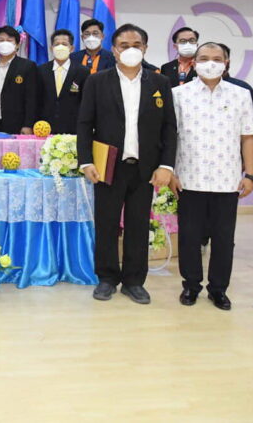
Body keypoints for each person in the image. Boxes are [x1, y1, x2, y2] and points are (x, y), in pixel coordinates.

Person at [77, 23, 177, 305]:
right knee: (107, 224)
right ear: (114, 49)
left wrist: (166, 166)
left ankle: (134, 281)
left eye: (136, 45)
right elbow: (84, 124)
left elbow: (169, 127)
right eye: (124, 45)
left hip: (145, 168)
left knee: (138, 225)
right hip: (108, 165)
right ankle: (107, 278)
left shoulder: (160, 82)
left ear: (145, 48)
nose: (131, 50)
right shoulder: (97, 81)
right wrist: (86, 161)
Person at [171, 42, 253, 311]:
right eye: (204, 58)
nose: (211, 63)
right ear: (194, 63)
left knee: (224, 239)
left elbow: (248, 137)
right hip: (189, 178)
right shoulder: (178, 94)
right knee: (189, 237)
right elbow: (170, 137)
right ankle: (191, 285)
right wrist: (171, 172)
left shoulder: (240, 94)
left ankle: (218, 289)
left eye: (217, 59)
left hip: (227, 180)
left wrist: (250, 175)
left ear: (226, 63)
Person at [0, 26, 38, 134]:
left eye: (9, 40)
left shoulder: (27, 66)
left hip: (15, 125)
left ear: (17, 45)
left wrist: (28, 125)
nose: (5, 43)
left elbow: (31, 98)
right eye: (1, 40)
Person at [38, 28, 90, 134]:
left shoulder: (82, 71)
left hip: (73, 128)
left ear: (72, 48)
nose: (60, 47)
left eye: (64, 44)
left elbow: (86, 102)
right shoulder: (41, 70)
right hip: (45, 127)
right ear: (51, 48)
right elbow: (36, 100)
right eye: (57, 44)